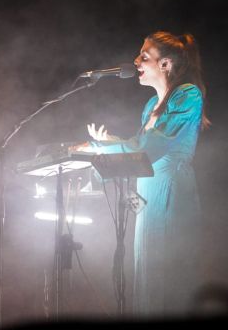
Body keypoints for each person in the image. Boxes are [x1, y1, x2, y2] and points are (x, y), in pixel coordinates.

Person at [84, 31, 208, 316]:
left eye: (144, 55)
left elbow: (150, 148)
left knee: (171, 275)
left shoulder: (187, 95)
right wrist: (102, 147)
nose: (135, 60)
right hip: (148, 192)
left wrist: (102, 146)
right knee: (148, 277)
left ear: (165, 64)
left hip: (172, 189)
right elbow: (136, 151)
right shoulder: (150, 106)